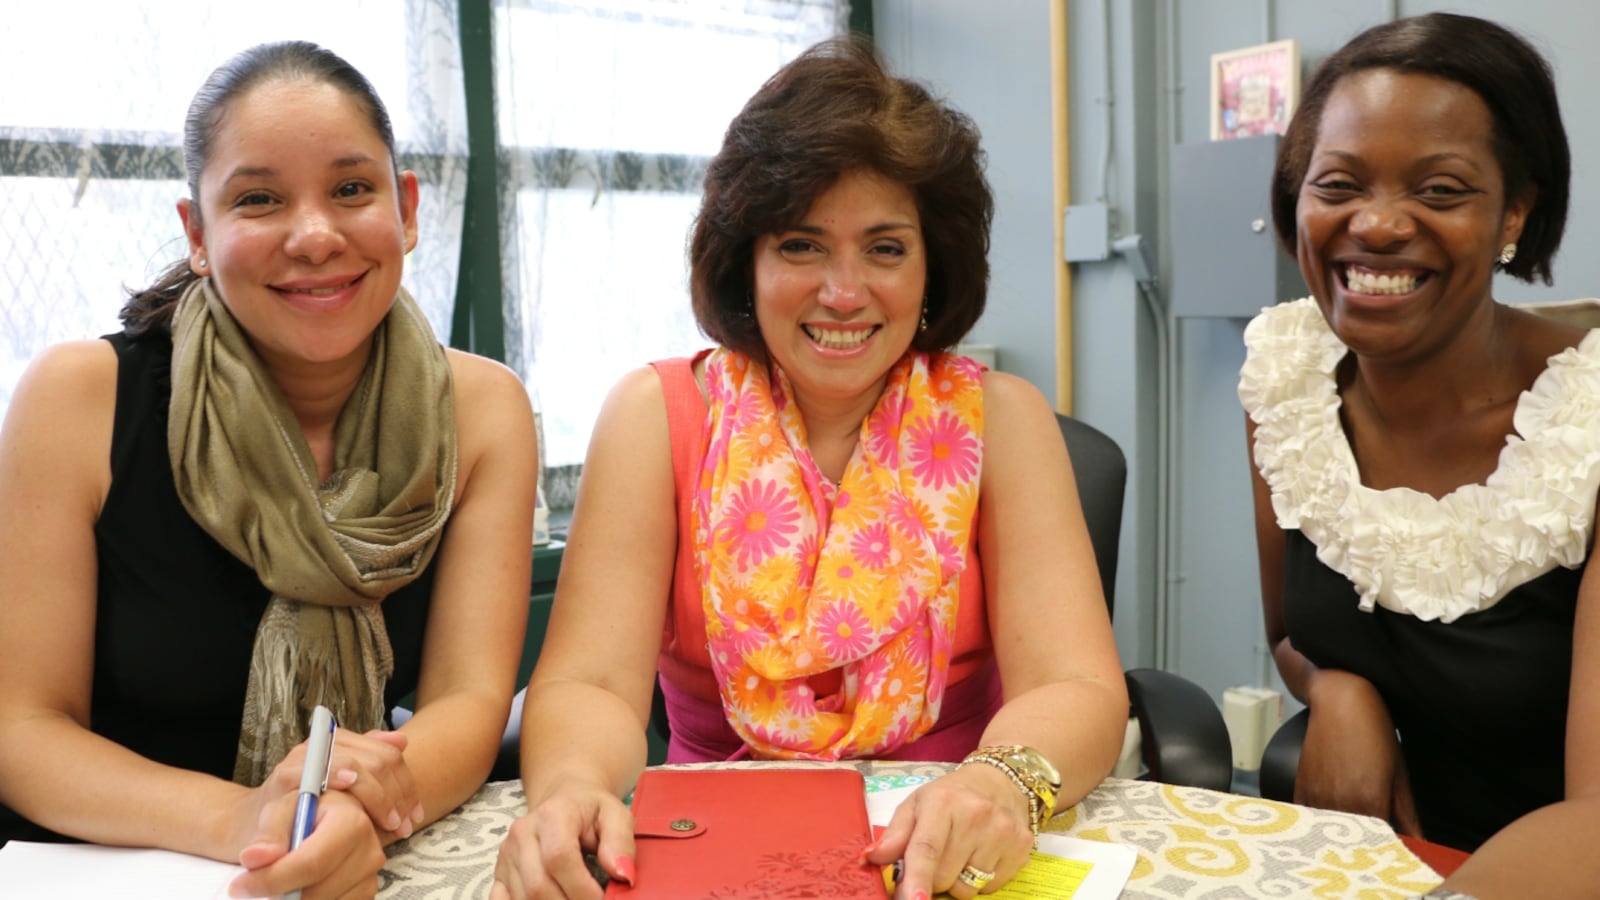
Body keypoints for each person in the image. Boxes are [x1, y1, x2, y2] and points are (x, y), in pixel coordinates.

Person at [491, 37, 1127, 900]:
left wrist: (997, 784)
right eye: (801, 245)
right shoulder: (655, 416)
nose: (843, 290)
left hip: (950, 854)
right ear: (745, 260)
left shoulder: (1002, 419)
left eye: (885, 248)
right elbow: (591, 682)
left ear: (932, 265)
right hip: (704, 851)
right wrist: (572, 786)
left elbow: (1076, 683)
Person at [0, 41, 538, 898]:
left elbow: (469, 703)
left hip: (343, 850)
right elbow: (23, 728)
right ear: (197, 234)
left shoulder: (482, 411)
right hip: (103, 860)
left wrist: (358, 808)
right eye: (258, 199)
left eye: (352, 190)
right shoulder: (79, 399)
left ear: (405, 209)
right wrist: (241, 821)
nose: (316, 235)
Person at [1241, 12, 1600, 896]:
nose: (1378, 224)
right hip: (1380, 871)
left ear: (1515, 211)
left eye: (1440, 190)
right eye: (1338, 184)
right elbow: (1290, 631)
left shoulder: (1587, 425)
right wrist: (1337, 690)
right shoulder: (1288, 383)